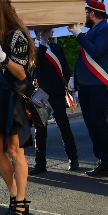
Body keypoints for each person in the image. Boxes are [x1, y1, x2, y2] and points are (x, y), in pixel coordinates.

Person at [0, 0, 35, 215]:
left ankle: (21, 203)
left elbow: (21, 73)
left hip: (12, 97)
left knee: (15, 151)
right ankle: (14, 195)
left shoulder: (16, 35)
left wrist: (3, 57)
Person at [75, 0, 108, 177]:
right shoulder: (93, 30)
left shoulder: (105, 29)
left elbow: (95, 52)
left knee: (98, 122)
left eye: (85, 13)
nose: (83, 17)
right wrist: (75, 77)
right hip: (87, 84)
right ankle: (103, 160)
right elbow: (84, 57)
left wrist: (79, 35)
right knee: (91, 124)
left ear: (92, 13)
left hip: (99, 83)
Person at [31, 28, 81, 173]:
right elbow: (35, 64)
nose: (51, 32)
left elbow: (64, 66)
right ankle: (40, 163)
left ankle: (73, 158)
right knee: (40, 129)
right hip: (41, 93)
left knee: (63, 125)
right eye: (48, 30)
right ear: (39, 33)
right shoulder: (33, 49)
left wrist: (72, 81)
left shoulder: (57, 48)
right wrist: (42, 43)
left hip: (57, 92)